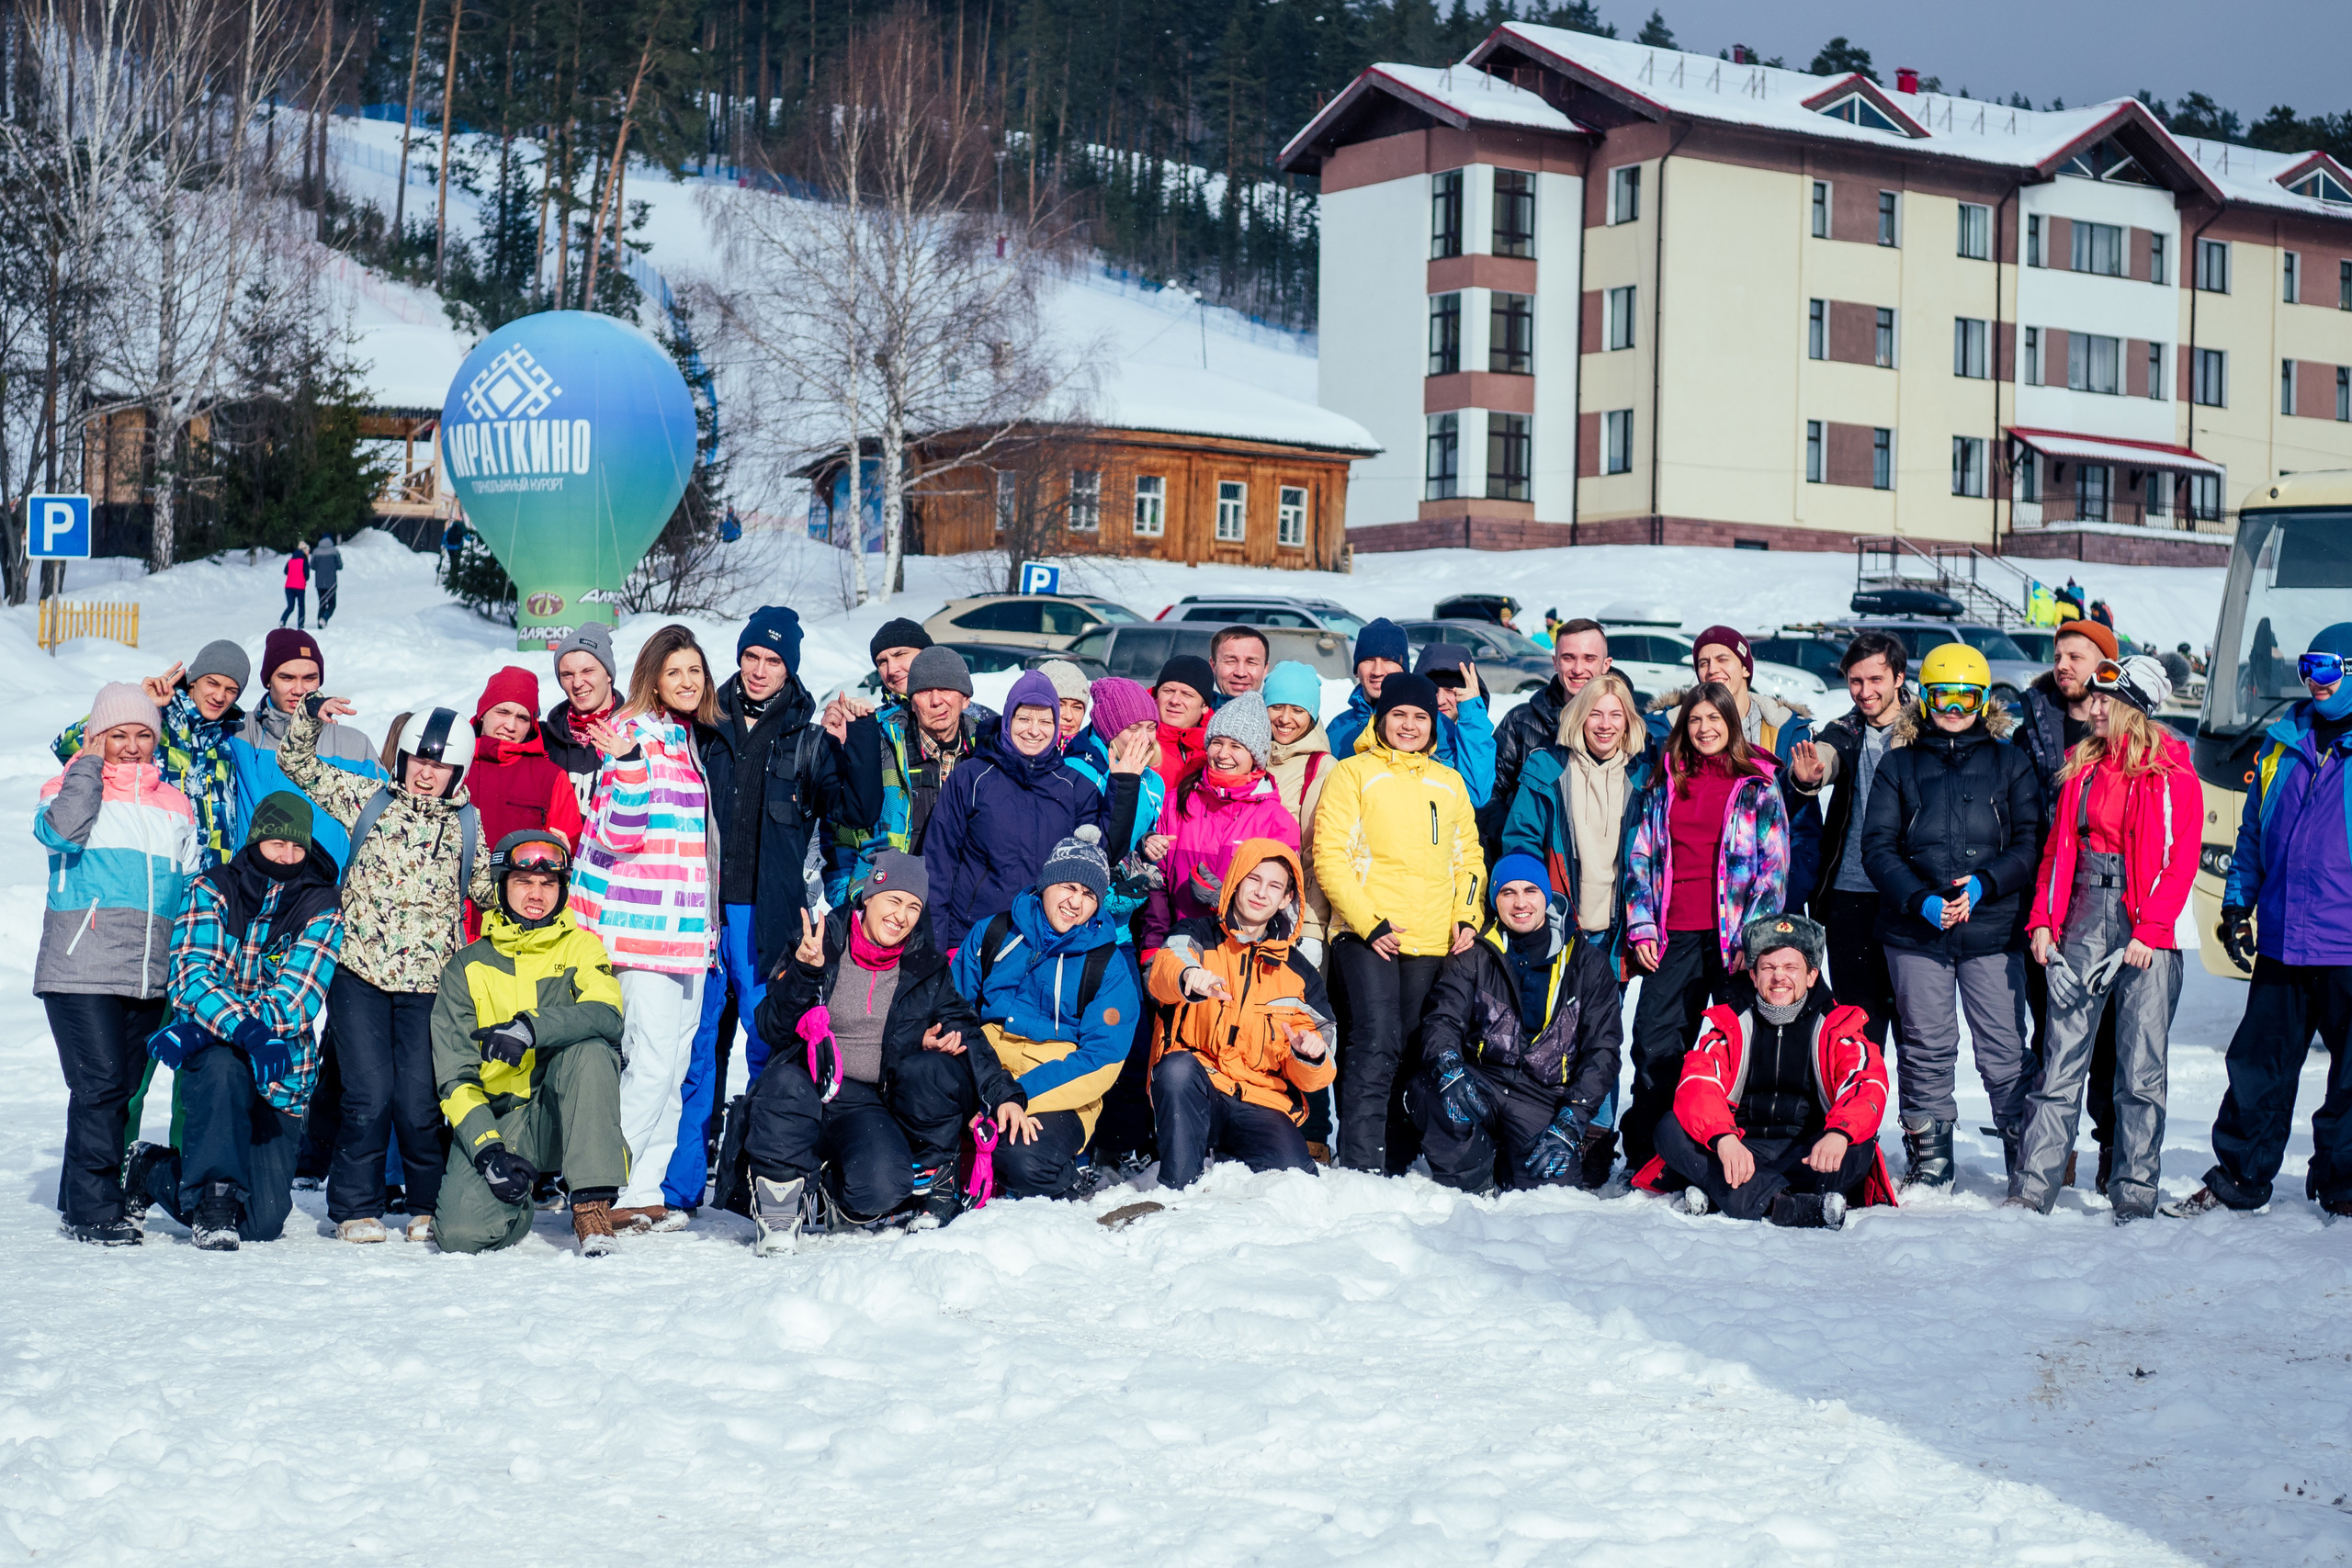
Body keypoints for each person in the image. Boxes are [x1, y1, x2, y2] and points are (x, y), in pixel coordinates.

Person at [283, 692, 494, 1243]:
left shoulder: (469, 825)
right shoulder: (367, 799)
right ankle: (356, 1208)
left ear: (458, 771)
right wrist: (309, 717)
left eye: (439, 766)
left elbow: (489, 891)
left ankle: (427, 1204)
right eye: (418, 761)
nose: (426, 774)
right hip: (360, 974)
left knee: (420, 1101)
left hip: (432, 984)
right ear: (402, 758)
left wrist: (532, 867)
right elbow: (296, 764)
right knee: (368, 1095)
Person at [742, 851, 1021, 1252]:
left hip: (864, 1099)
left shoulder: (925, 967)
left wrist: (1003, 1094)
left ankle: (828, 1193)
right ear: (868, 897)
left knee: (885, 1186)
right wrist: (804, 971)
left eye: (913, 907)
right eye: (894, 899)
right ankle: (779, 1211)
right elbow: (772, 1027)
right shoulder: (823, 941)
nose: (901, 916)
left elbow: (967, 1031)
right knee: (785, 1083)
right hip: (804, 1082)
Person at [2172, 623, 2352, 1221]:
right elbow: (2252, 833)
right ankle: (2240, 1177)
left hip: (2347, 943)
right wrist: (2235, 905)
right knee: (2258, 1066)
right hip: (2284, 937)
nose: (2312, 680)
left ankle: (2345, 1182)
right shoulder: (2283, 741)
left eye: (2326, 668)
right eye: (2306, 667)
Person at [2014, 657, 2198, 1222]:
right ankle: (2032, 1190)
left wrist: (2151, 931)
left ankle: (2135, 1193)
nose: (2092, 707)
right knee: (2060, 1060)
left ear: (2133, 709)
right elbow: (2057, 851)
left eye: (2104, 700)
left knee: (2140, 1069)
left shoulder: (2172, 771)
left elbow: (2181, 859)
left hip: (2144, 925)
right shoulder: (2084, 766)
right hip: (2084, 914)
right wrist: (2043, 921)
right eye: (2093, 696)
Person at [1861, 643, 2044, 1190]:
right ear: (1925, 699)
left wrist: (1987, 883)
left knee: (2003, 1049)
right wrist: (1920, 899)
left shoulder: (2010, 762)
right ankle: (1931, 1157)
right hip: (1915, 932)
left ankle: (2025, 1155)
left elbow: (2030, 843)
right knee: (1927, 1045)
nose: (1955, 708)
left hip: (1992, 930)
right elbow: (1878, 848)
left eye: (1967, 696)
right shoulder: (1899, 763)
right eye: (1943, 696)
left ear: (1984, 700)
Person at [127, 793, 344, 1249]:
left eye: (297, 848)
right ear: (255, 840)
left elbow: (298, 998)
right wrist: (243, 1031)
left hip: (281, 1067)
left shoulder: (322, 904)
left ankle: (151, 1168)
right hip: (220, 1058)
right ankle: (214, 1203)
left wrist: (204, 1025)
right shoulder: (212, 888)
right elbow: (191, 976)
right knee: (222, 1065)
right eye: (277, 844)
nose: (287, 856)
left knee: (263, 1223)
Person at [35, 683, 200, 1245]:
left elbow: (189, 886)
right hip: (82, 967)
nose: (131, 746)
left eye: (143, 735)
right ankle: (92, 1209)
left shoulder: (175, 803)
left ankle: (84, 1196)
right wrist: (86, 765)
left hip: (149, 972)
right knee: (100, 1085)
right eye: (117, 735)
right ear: (96, 737)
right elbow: (60, 833)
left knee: (122, 1089)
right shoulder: (67, 788)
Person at [571, 624, 722, 1234]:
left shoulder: (682, 738)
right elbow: (618, 832)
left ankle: (642, 1189)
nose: (687, 682)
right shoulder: (631, 733)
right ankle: (599, 1189)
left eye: (694, 671)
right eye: (674, 672)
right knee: (651, 1065)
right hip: (639, 930)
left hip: (685, 932)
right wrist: (629, 763)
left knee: (673, 1064)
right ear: (653, 679)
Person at [691, 605, 876, 1100]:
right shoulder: (705, 728)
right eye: (751, 656)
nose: (759, 670)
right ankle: (692, 1153)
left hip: (765, 917)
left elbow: (858, 812)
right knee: (698, 1047)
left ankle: (754, 1143)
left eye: (773, 661)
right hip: (701, 910)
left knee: (766, 1040)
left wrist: (857, 738)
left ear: (789, 668)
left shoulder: (809, 742)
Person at [1312, 671, 1486, 1174]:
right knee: (1376, 1038)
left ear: (1433, 724)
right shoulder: (1353, 774)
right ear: (1381, 718)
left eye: (1420, 717)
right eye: (1399, 715)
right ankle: (1361, 1160)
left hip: (1430, 938)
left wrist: (1467, 915)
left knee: (1411, 1047)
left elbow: (1469, 859)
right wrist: (1368, 922)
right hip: (1366, 934)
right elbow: (1330, 856)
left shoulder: (1448, 783)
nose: (1409, 725)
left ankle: (1398, 1157)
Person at [429, 829, 629, 1257]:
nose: (536, 893)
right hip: (501, 1121)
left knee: (592, 1049)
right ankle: (517, 1195)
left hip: (563, 1114)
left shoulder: (582, 948)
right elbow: (454, 1077)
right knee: (461, 1236)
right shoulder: (466, 967)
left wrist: (530, 1028)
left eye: (548, 883)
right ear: (502, 886)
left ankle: (592, 1212)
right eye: (523, 881)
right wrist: (488, 1152)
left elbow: (606, 1015)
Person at [1621, 682, 1790, 1176]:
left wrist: (1753, 940)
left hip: (1734, 941)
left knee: (1739, 1047)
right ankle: (1650, 1155)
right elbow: (1641, 856)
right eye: (1695, 720)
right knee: (1656, 1042)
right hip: (1673, 934)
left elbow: (1773, 870)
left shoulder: (1757, 784)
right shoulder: (1667, 781)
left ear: (1731, 724)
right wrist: (1642, 926)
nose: (1704, 728)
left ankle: (1739, 1152)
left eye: (1714, 719)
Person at [1634, 914, 1898, 1228]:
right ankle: (1787, 1206)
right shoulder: (1731, 1024)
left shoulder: (1837, 1026)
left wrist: (1839, 1133)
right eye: (1768, 967)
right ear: (1754, 975)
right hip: (1742, 1148)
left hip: (1809, 1152)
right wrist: (1723, 1139)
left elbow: (1866, 1083)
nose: (1779, 977)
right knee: (1670, 1129)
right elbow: (1698, 1083)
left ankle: (1729, 1193)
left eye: (1790, 967)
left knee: (1859, 1146)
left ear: (1812, 975)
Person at [1498, 670, 1655, 1184]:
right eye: (1595, 713)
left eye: (1616, 714)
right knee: (1549, 1031)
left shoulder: (1644, 774)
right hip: (1561, 926)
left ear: (1629, 721)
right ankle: (1535, 1125)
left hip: (1615, 931)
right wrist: (1540, 907)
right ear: (1578, 717)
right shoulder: (1547, 767)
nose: (1605, 724)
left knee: (1601, 1037)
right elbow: (1521, 841)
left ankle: (1594, 1137)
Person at [947, 829, 1142, 1198]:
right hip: (985, 1070)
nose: (1076, 902)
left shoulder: (1108, 965)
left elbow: (1103, 1059)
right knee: (925, 1091)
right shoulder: (994, 932)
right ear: (1047, 883)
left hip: (1058, 1090)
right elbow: (955, 1009)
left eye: (1089, 895)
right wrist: (991, 1089)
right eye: (1069, 887)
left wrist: (1018, 1096)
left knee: (1021, 1158)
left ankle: (1067, 1186)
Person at [1410, 856, 1622, 1194]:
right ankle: (1472, 1178)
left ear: (1546, 896)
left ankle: (1510, 1163)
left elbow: (1603, 1050)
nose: (1520, 903)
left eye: (1530, 891)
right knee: (1429, 1090)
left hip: (1543, 1097)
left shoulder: (1587, 963)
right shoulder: (1475, 953)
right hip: (1482, 1081)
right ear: (1495, 900)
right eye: (1508, 892)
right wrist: (1448, 1067)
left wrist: (1573, 1120)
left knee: (1551, 1196)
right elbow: (1443, 1017)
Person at [1147, 840, 1334, 1188]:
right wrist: (1188, 976)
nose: (1261, 893)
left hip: (1261, 1099)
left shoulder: (1300, 973)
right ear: (1235, 880)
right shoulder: (1195, 935)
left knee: (1298, 1180)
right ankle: (1178, 1189)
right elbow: (1165, 969)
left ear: (1286, 898)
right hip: (1199, 1086)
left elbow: (1318, 1071)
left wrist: (1310, 1055)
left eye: (1274, 886)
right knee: (1175, 1070)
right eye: (1253, 879)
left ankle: (1233, 1151)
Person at [2011, 616, 2125, 1186]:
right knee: (2051, 1031)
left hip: (2108, 900)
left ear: (2104, 665)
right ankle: (2054, 1154)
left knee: (2109, 1038)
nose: (2063, 666)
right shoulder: (2031, 724)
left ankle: (2111, 1146)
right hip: (2045, 899)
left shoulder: (2120, 729)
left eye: (2076, 657)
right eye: (2059, 656)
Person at [924, 669, 1113, 954]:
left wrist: (1124, 784)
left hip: (1043, 943)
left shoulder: (1075, 788)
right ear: (1008, 720)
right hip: (971, 938)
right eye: (1024, 719)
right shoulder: (971, 777)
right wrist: (936, 950)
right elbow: (939, 864)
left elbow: (1101, 856)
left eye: (1045, 721)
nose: (1034, 730)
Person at [1792, 630, 1908, 1044]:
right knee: (1856, 1028)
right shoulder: (1845, 729)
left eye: (1875, 679)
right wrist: (1812, 775)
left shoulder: (1925, 730)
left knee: (1917, 1028)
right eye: (1856, 681)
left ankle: (1917, 1094)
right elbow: (1827, 755)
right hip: (1850, 897)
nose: (1865, 691)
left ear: (1898, 677)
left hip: (1909, 896)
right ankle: (1859, 1089)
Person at [53, 639, 251, 871]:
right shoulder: (155, 719)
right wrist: (137, 703)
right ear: (193, 680)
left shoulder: (232, 736)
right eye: (212, 683)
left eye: (231, 690)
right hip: (152, 872)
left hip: (213, 880)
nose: (219, 696)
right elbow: (67, 749)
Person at [1662, 625, 1821, 905]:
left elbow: (1802, 829)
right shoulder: (1671, 729)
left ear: (1746, 668)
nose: (1712, 669)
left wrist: (1787, 897)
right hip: (1698, 903)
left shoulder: (1783, 730)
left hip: (1773, 898)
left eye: (1722, 659)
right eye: (1703, 663)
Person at [827, 643, 990, 904]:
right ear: (912, 701)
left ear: (966, 699)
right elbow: (841, 833)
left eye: (946, 689)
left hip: (965, 904)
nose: (936, 700)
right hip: (891, 903)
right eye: (924, 691)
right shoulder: (879, 747)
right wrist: (849, 903)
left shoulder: (989, 751)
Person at [1140, 693, 1299, 953]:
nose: (1223, 754)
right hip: (1177, 950)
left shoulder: (1277, 822)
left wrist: (1224, 900)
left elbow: (1278, 905)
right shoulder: (1175, 802)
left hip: (1241, 955)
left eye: (1236, 746)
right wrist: (1153, 949)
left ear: (1256, 756)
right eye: (1217, 742)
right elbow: (1156, 887)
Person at [228, 629, 386, 866]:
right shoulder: (238, 732)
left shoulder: (354, 745)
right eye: (287, 678)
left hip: (327, 885)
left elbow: (387, 818)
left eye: (309, 678)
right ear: (268, 680)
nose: (299, 689)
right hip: (252, 885)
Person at [1484, 616, 1612, 855]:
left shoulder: (1623, 726)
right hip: (1535, 862)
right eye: (1568, 658)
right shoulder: (1521, 722)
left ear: (1606, 664)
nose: (1578, 669)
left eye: (1589, 658)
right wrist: (1521, 843)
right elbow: (1489, 793)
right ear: (1555, 662)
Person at [464, 667, 587, 860]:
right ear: (482, 712)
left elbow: (569, 851)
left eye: (522, 718)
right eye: (502, 712)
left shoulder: (551, 778)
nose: (510, 726)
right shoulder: (453, 763)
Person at [541, 623, 620, 817]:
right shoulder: (545, 739)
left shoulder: (633, 731)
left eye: (588, 671)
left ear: (608, 674)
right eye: (567, 675)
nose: (577, 683)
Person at [1410, 643, 1498, 807]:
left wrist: (1472, 714)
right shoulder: (1404, 734)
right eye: (1433, 690)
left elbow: (1476, 795)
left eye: (1450, 690)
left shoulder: (1478, 734)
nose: (1440, 700)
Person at [1324, 618, 1409, 760]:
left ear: (1404, 670)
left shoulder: (1427, 727)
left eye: (1388, 661)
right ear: (1356, 670)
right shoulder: (1336, 729)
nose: (1377, 671)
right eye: (1368, 660)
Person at [1149, 655, 1216, 786]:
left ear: (1205, 706)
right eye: (1168, 691)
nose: (1174, 701)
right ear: (1156, 696)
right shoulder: (1136, 738)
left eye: (1187, 694)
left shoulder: (1217, 747)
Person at [1037, 659, 1093, 743]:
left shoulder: (1091, 750)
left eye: (1077, 707)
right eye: (1059, 705)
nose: (1068, 716)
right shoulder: (1020, 749)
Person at [1209, 626, 1271, 702]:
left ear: (1265, 669)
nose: (1241, 673)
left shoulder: (1278, 708)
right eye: (1231, 661)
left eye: (1251, 663)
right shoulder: (1197, 707)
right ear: (1213, 665)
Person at [310, 533, 343, 626]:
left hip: (319, 582)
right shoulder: (334, 551)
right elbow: (339, 566)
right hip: (331, 581)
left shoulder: (316, 551)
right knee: (332, 604)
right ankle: (324, 618)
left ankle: (319, 623)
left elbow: (312, 566)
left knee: (322, 603)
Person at [279, 542, 308, 628]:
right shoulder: (304, 561)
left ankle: (283, 620)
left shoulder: (290, 560)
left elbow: (285, 571)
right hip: (300, 587)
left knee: (290, 606)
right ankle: (300, 624)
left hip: (289, 587)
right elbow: (307, 575)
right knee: (301, 606)